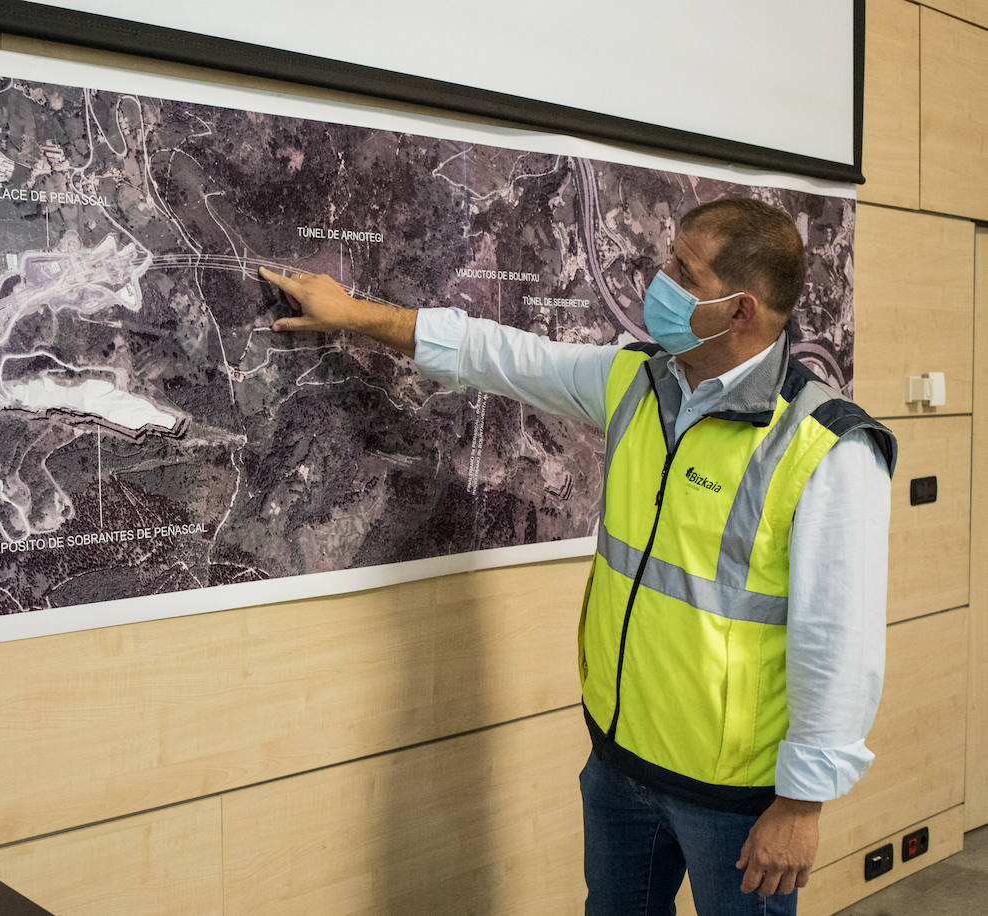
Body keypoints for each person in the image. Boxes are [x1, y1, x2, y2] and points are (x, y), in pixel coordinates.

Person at [259, 197, 895, 916]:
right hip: (620, 767)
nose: (657, 278)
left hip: (736, 800)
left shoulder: (826, 447)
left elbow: (839, 644)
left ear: (739, 310)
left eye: (681, 270)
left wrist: (802, 806)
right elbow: (497, 355)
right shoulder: (639, 381)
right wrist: (354, 314)